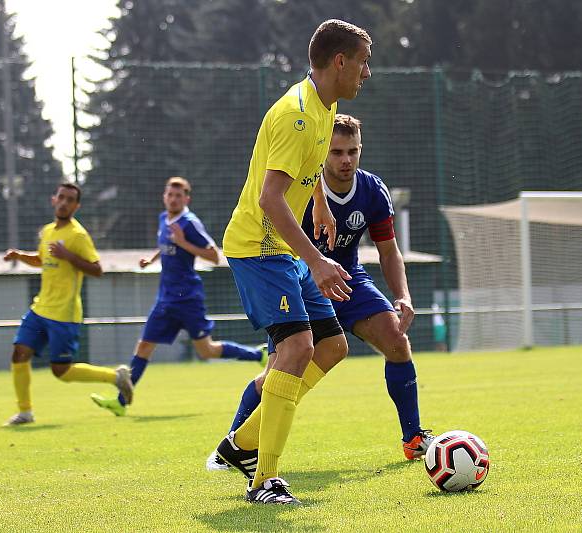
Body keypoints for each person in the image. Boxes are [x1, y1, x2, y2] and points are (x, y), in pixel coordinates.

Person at [207, 114, 433, 472]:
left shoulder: (373, 190)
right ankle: (232, 447)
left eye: (353, 152)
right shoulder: (300, 187)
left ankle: (414, 437)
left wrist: (402, 294)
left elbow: (389, 251)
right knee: (276, 374)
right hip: (298, 276)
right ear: (322, 153)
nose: (346, 160)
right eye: (337, 152)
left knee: (396, 339)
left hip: (348, 279)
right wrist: (313, 263)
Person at [213, 20, 372, 505]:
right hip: (260, 248)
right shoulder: (296, 115)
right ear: (339, 62)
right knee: (297, 347)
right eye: (363, 61)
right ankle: (264, 480)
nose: (368, 72)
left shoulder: (327, 106)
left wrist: (321, 202)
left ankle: (240, 445)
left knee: (331, 346)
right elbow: (270, 199)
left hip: (285, 250)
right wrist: (319, 261)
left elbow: (309, 168)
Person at [91, 177, 266, 417]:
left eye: (178, 196)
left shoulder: (190, 223)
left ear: (186, 199)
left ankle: (257, 354)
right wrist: (151, 260)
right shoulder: (164, 219)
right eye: (169, 195)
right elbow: (166, 246)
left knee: (207, 351)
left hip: (188, 298)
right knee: (143, 346)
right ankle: (121, 402)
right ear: (164, 197)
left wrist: (183, 242)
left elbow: (213, 256)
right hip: (165, 298)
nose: (173, 199)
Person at [2, 182, 133, 426]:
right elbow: (42, 260)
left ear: (76, 205)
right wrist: (20, 256)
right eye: (61, 197)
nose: (64, 202)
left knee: (60, 370)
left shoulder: (78, 235)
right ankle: (25, 412)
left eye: (70, 199)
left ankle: (115, 376)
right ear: (54, 199)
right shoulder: (48, 231)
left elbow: (97, 269)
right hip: (40, 308)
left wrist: (69, 256)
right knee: (19, 353)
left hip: (64, 313)